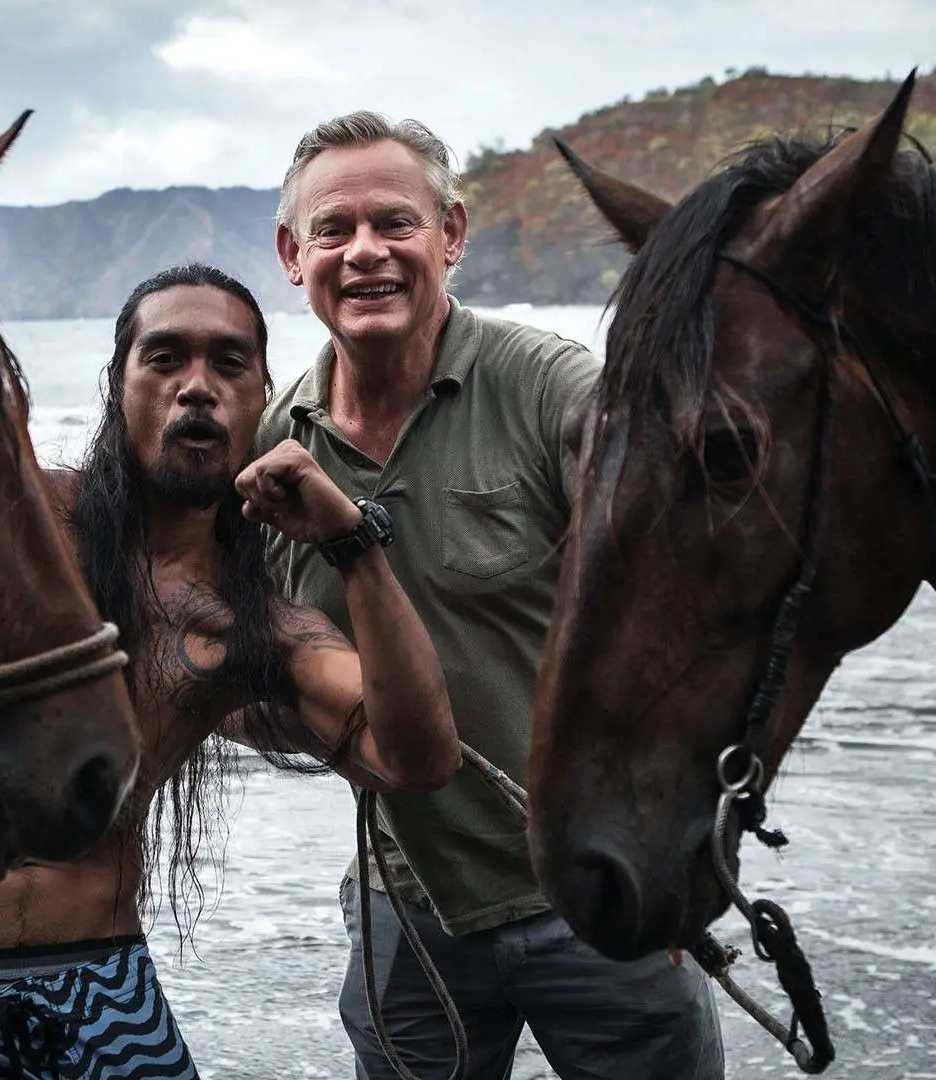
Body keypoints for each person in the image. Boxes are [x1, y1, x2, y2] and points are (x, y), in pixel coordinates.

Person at [0, 263, 461, 1078]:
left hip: (101, 984)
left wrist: (354, 547)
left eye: (229, 363)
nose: (196, 387)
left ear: (261, 399)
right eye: (164, 358)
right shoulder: (5, 532)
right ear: (118, 385)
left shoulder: (254, 624)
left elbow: (418, 758)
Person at [259, 112, 726, 1078]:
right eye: (333, 230)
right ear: (293, 258)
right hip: (406, 907)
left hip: (597, 893)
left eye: (395, 222)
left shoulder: (552, 389)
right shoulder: (276, 443)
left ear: (452, 235)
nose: (365, 252)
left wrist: (678, 850)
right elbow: (254, 660)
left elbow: (690, 601)